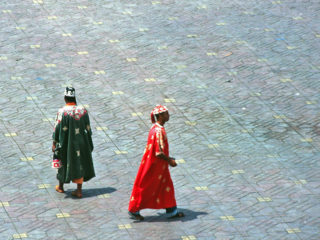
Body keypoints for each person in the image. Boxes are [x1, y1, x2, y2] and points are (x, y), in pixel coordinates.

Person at [128, 105, 184, 220]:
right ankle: (134, 209)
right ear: (161, 116)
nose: (168, 115)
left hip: (156, 165)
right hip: (156, 166)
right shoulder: (159, 131)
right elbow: (159, 152)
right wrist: (170, 161)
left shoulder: (154, 128)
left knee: (166, 186)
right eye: (166, 114)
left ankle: (172, 210)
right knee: (149, 187)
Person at [52, 87, 95, 198]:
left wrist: (54, 142)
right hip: (81, 143)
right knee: (79, 162)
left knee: (63, 161)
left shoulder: (62, 112)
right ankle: (79, 190)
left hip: (67, 143)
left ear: (65, 98)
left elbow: (57, 128)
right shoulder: (83, 111)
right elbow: (88, 128)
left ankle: (61, 187)